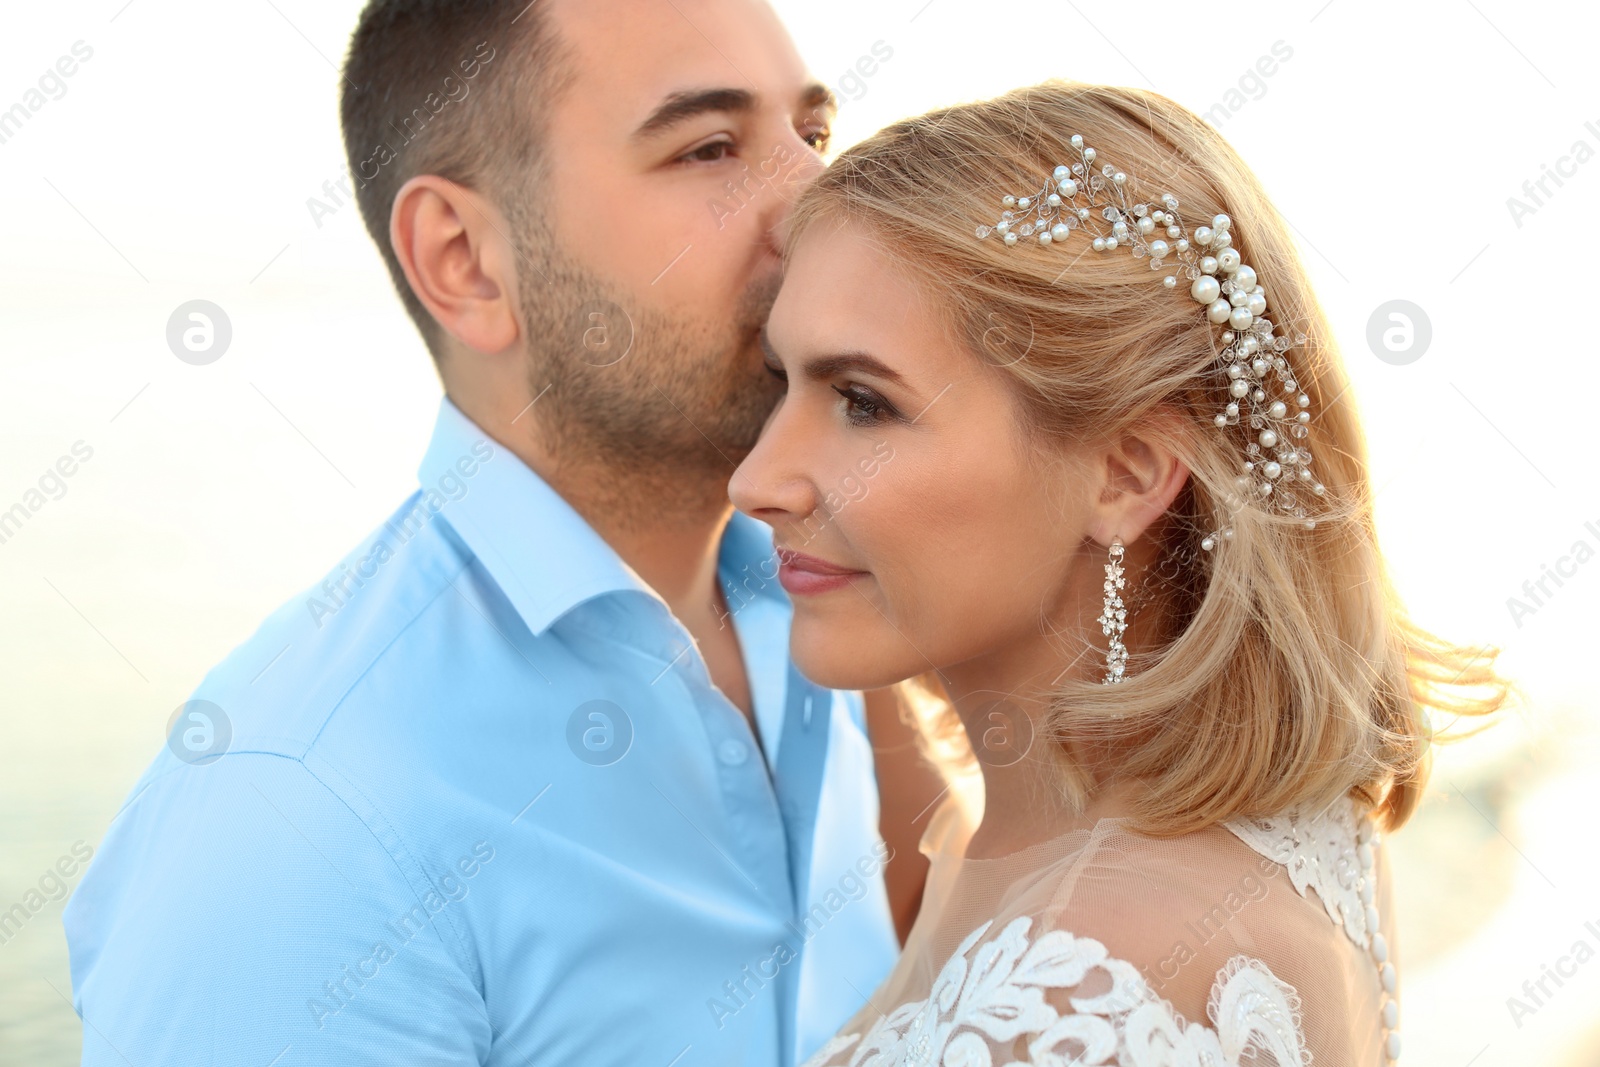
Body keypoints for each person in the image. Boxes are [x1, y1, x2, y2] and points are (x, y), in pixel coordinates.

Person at [61, 2, 944, 1065]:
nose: (815, 205)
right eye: (709, 148)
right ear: (465, 260)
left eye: (811, 138)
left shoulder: (825, 605)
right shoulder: (292, 818)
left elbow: (918, 944)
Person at [730, 81, 1510, 1066]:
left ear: (1126, 472)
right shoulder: (1289, 833)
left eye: (862, 401)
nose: (755, 477)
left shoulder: (1074, 977)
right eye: (778, 383)